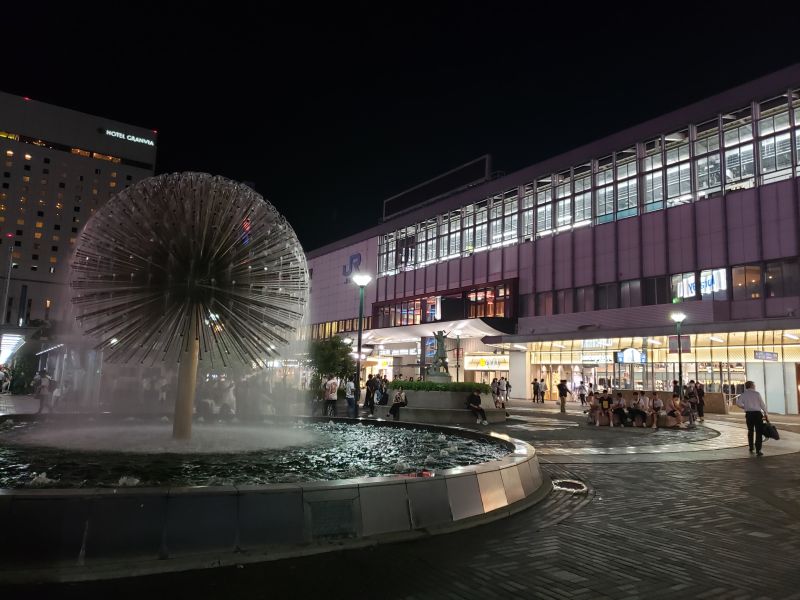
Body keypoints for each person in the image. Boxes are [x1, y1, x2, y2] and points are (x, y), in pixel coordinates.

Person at [735, 381, 769, 456]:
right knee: (758, 432)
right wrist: (766, 413)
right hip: (757, 414)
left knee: (750, 431)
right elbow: (762, 404)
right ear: (751, 386)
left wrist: (744, 407)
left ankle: (751, 447)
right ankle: (758, 450)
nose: (755, 386)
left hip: (749, 414)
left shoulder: (743, 394)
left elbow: (738, 403)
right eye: (754, 385)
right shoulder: (757, 394)